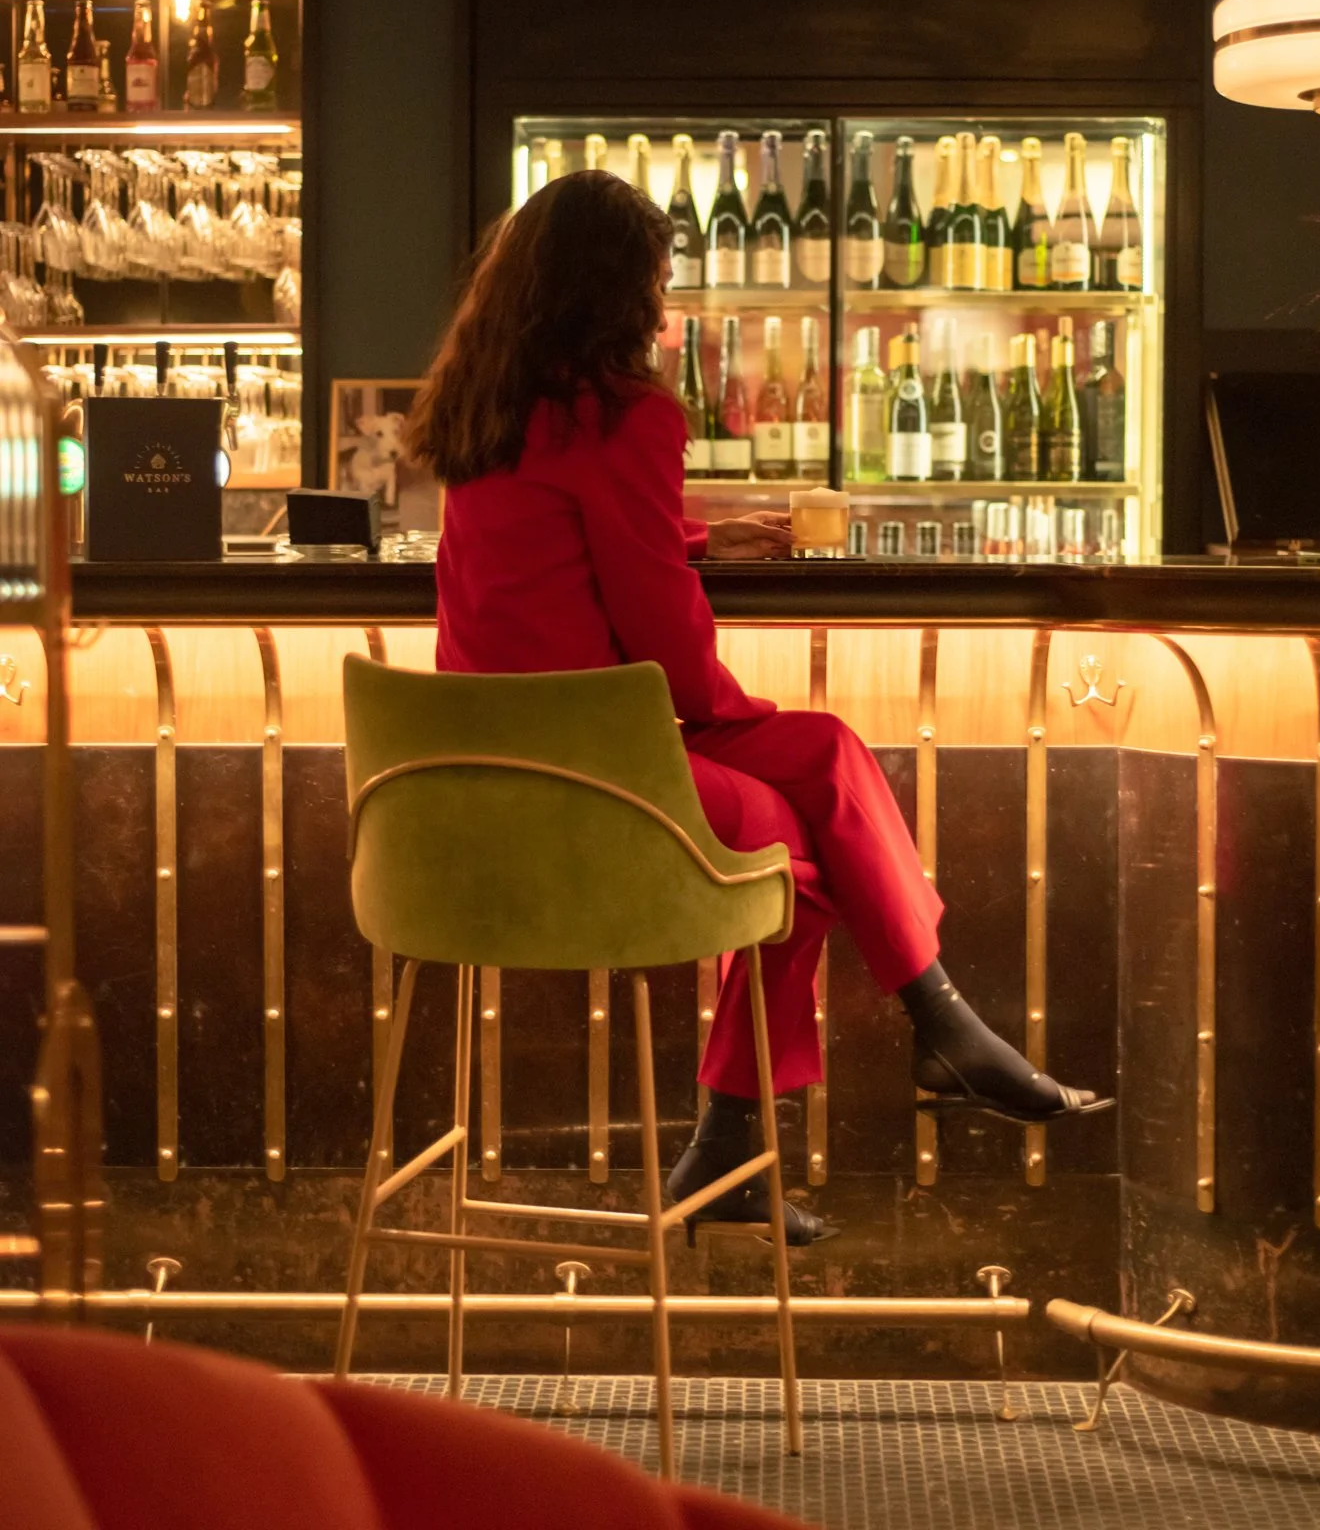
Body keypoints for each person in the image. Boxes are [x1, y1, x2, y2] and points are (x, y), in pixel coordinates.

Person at [406, 170, 1110, 1244]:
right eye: (654, 281)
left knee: (820, 762)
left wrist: (692, 536)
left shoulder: (481, 410)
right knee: (800, 830)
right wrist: (727, 714)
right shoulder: (628, 415)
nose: (662, 304)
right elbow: (667, 647)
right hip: (597, 779)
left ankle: (813, 1103)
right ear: (615, 292)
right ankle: (905, 1040)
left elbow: (552, 536)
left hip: (472, 783)